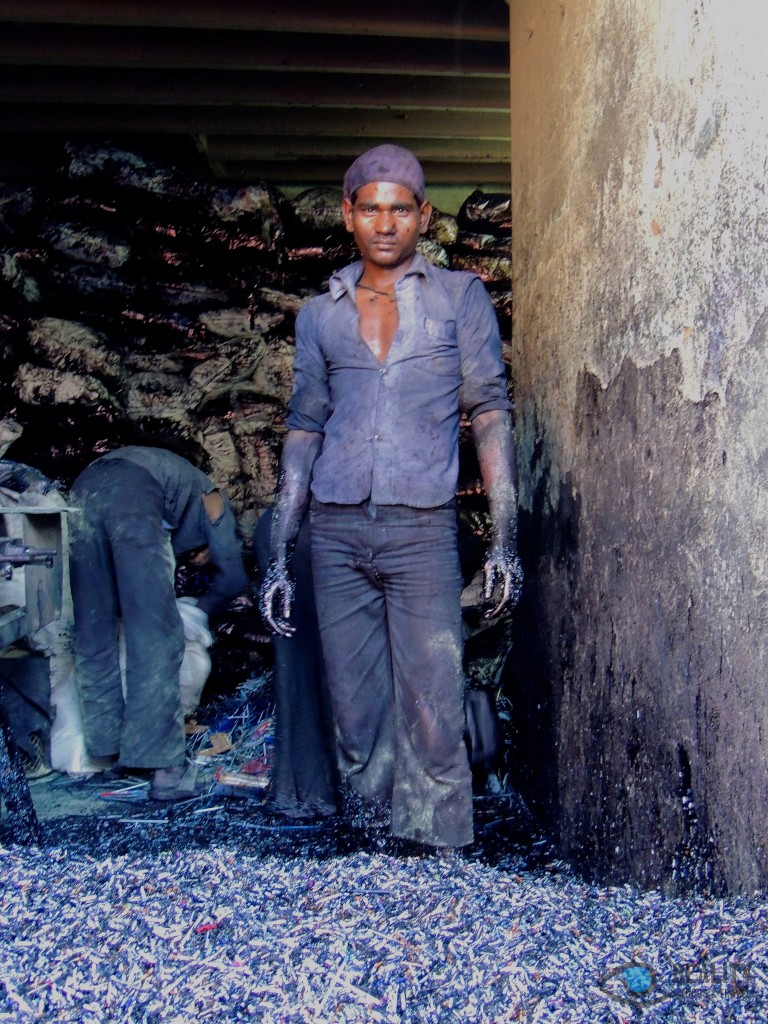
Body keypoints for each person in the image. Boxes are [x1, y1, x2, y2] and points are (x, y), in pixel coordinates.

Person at [259, 144, 522, 851]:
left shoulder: (459, 298)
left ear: (423, 216)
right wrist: (281, 554)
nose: (385, 223)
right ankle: (375, 845)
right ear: (348, 215)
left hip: (421, 529)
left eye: (399, 209)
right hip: (337, 530)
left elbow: (489, 412)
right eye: (369, 208)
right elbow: (305, 428)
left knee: (433, 701)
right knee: (355, 707)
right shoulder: (320, 314)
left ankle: (440, 853)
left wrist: (504, 540)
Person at [69, 445, 249, 800]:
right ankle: (166, 768)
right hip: (132, 491)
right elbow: (233, 577)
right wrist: (200, 610)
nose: (196, 561)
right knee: (157, 635)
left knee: (94, 628)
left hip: (84, 488)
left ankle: (108, 752)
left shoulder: (170, 483)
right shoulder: (212, 496)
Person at [253, 508, 338, 820]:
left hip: (277, 528)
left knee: (295, 670)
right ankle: (343, 784)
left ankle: (299, 790)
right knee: (340, 666)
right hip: (323, 531)